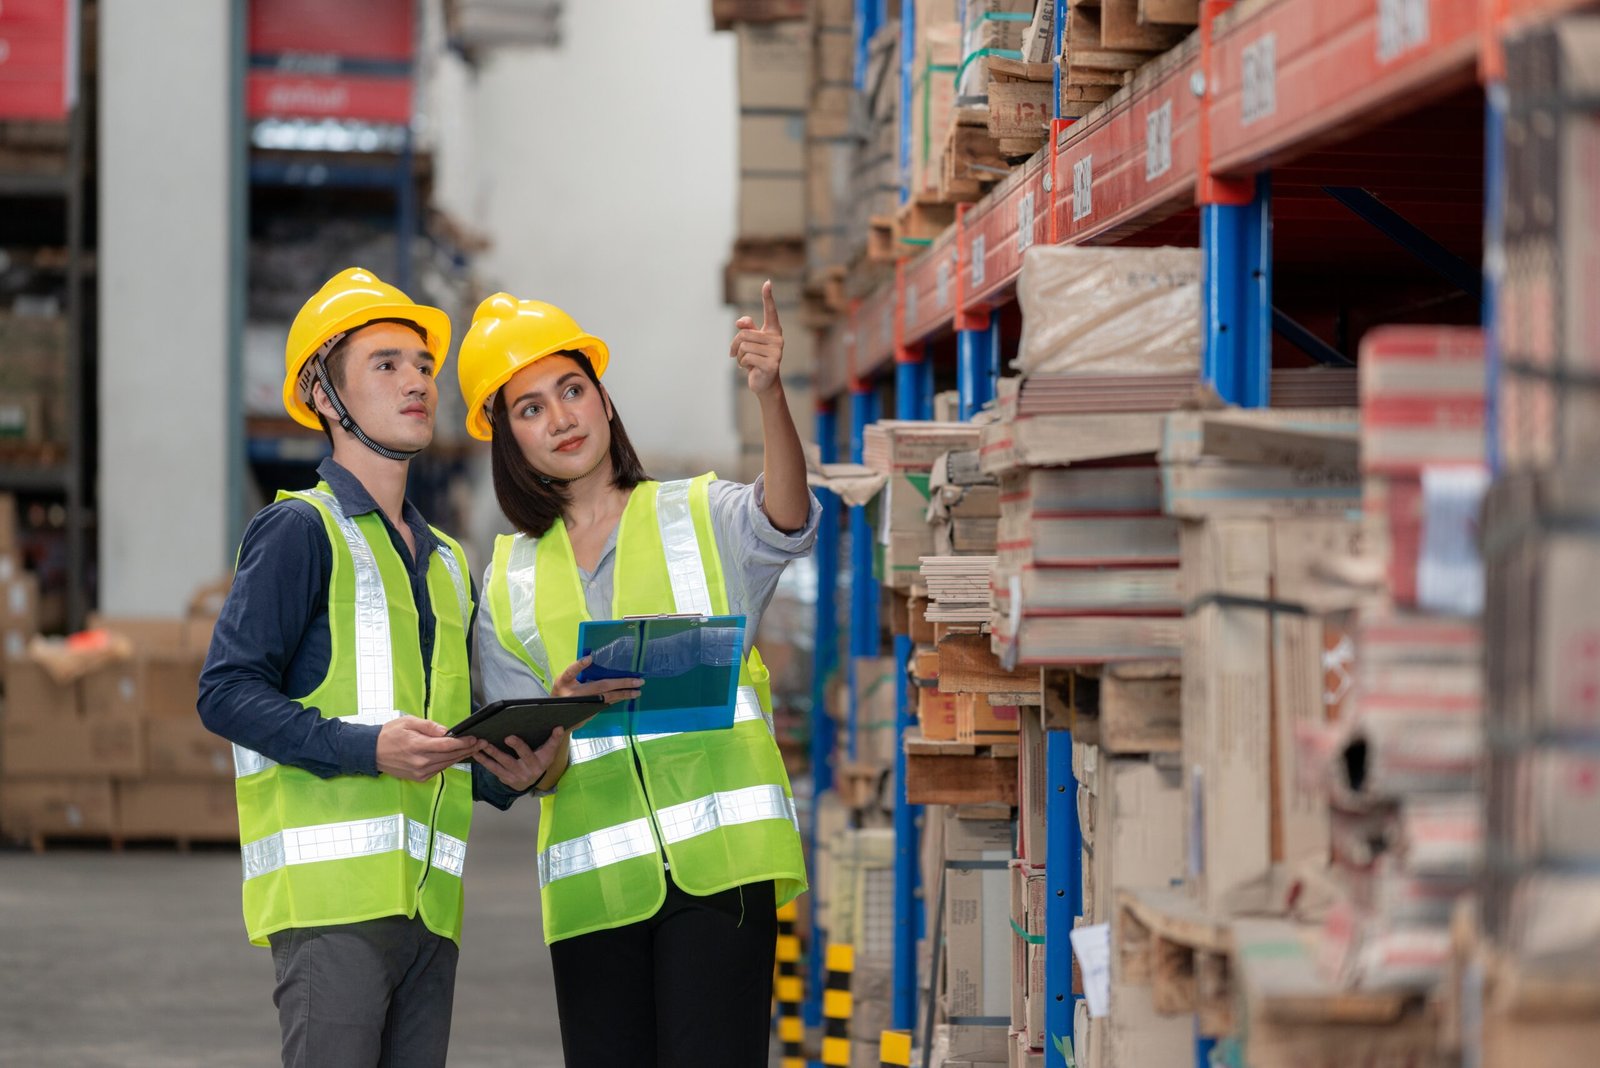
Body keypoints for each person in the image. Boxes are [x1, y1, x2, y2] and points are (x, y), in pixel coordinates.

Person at [197, 267, 565, 1068]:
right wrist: (369, 749)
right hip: (333, 912)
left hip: (431, 911)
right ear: (325, 396)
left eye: (425, 366)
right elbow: (223, 692)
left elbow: (445, 746)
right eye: (387, 364)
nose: (418, 383)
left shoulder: (443, 564)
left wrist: (521, 766)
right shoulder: (299, 531)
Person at [456, 282, 816, 1066]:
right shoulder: (508, 579)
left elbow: (786, 520)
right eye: (530, 408)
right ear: (507, 438)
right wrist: (544, 740)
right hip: (596, 892)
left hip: (723, 872)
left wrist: (771, 398)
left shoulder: (698, 513)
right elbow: (531, 762)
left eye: (573, 390)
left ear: (604, 403)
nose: (561, 418)